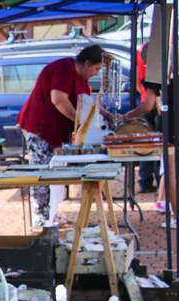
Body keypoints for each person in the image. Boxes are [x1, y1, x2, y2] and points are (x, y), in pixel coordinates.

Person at [18, 45, 105, 227]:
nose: (96, 73)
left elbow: (87, 103)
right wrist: (81, 124)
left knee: (51, 173)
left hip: (54, 130)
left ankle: (50, 213)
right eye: (96, 69)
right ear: (87, 63)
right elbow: (58, 99)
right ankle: (41, 218)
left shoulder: (80, 77)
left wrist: (108, 116)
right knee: (42, 172)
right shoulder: (65, 68)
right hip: (40, 127)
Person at [123, 55, 177, 228]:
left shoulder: (156, 75)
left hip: (171, 126)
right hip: (170, 124)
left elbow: (147, 106)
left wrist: (127, 116)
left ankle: (177, 216)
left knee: (170, 171)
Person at [134, 43, 161, 194]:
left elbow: (138, 81)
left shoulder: (140, 49)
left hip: (147, 99)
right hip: (157, 102)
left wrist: (145, 95)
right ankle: (160, 180)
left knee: (147, 141)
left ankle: (145, 181)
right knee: (158, 141)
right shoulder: (166, 47)